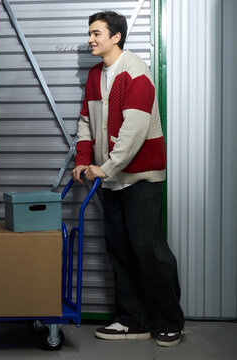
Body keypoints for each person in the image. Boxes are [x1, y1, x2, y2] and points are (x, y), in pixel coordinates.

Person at [71, 11, 185, 347]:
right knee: (119, 249)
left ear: (116, 36)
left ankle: (168, 321)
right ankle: (132, 319)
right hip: (110, 180)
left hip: (141, 178)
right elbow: (86, 124)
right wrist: (82, 161)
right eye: (89, 33)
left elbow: (134, 128)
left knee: (149, 250)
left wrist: (105, 167)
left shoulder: (135, 70)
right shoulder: (95, 76)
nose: (90, 39)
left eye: (96, 33)